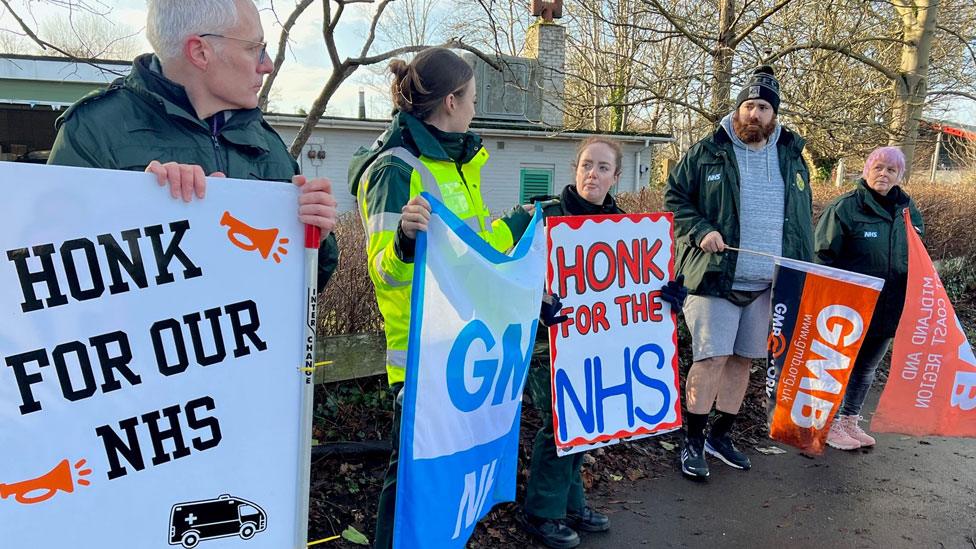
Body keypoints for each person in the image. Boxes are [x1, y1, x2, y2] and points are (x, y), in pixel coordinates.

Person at [346, 47, 534, 549]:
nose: (476, 108)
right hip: (422, 357)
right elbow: (383, 272)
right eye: (472, 98)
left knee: (440, 473)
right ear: (451, 101)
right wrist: (405, 243)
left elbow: (468, 246)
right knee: (410, 476)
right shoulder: (394, 168)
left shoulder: (455, 160)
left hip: (461, 347)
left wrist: (515, 227)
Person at [47, 0, 338, 288]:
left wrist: (316, 237)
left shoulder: (264, 139)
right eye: (254, 49)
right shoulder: (95, 129)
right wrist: (144, 212)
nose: (267, 65)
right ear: (200, 52)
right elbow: (50, 276)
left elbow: (300, 290)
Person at [516, 137, 687, 549]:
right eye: (587, 165)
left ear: (616, 176)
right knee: (561, 422)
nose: (593, 173)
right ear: (575, 169)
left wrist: (667, 299)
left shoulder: (626, 229)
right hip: (545, 343)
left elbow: (633, 290)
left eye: (603, 167)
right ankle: (541, 511)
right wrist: (533, 301)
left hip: (595, 344)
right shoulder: (539, 217)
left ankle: (569, 503)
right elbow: (501, 268)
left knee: (586, 421)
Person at [664, 65, 813, 480]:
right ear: (737, 109)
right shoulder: (707, 151)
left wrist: (800, 272)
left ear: (774, 114)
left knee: (743, 361)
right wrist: (700, 230)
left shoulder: (792, 156)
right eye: (748, 105)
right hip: (715, 278)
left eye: (763, 107)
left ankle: (721, 436)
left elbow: (801, 221)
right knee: (711, 359)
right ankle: (692, 441)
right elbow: (674, 199)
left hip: (768, 286)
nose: (754, 114)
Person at [815, 146, 924, 450]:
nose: (884, 174)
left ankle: (850, 419)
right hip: (849, 307)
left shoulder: (907, 211)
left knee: (866, 369)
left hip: (889, 307)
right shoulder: (846, 208)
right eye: (878, 167)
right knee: (841, 365)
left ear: (900, 175)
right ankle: (831, 423)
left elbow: (917, 257)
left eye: (891, 169)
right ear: (866, 170)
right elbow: (822, 257)